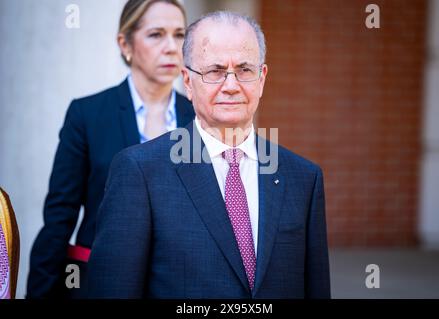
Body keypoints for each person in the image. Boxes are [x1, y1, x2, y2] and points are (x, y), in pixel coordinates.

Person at [87, 11, 330, 299]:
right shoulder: (140, 172)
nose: (231, 85)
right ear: (188, 81)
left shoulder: (303, 178)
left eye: (244, 70)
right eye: (214, 71)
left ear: (262, 78)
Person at [27, 0, 194, 298]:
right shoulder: (88, 115)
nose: (172, 47)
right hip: (99, 285)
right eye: (156, 34)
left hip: (180, 287)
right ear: (125, 43)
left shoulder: (200, 119)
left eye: (180, 34)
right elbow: (59, 218)